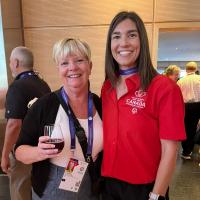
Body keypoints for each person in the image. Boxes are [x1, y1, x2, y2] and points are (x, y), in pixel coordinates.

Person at [101, 11, 186, 200]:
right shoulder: (107, 86)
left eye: (131, 35)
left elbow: (169, 150)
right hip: (108, 184)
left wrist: (156, 196)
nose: (123, 43)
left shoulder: (164, 88)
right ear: (110, 44)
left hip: (144, 188)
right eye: (116, 36)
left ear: (142, 41)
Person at [15, 38, 103, 200]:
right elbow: (19, 151)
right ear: (58, 69)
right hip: (52, 185)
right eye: (64, 63)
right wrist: (38, 152)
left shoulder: (99, 103)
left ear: (90, 67)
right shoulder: (44, 106)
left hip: (91, 181)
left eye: (79, 60)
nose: (72, 67)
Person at [0, 46, 51, 200]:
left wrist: (4, 155)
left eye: (9, 62)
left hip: (23, 150)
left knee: (19, 191)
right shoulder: (43, 84)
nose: (10, 66)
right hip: (41, 149)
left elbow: (14, 124)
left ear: (15, 63)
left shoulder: (17, 86)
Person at [177, 61, 200, 159]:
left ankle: (186, 152)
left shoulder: (180, 81)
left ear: (186, 70)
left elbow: (177, 96)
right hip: (198, 105)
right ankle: (193, 148)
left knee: (186, 128)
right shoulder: (199, 79)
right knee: (195, 127)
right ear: (196, 69)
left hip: (185, 106)